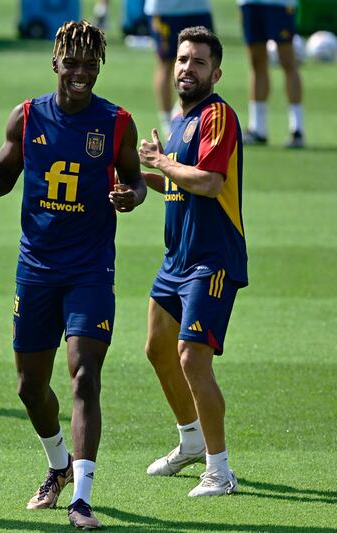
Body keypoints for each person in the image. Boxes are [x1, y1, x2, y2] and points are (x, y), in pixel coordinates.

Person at [0, 20, 146, 530]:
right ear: (55, 63)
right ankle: (58, 464)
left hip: (90, 268)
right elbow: (4, 182)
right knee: (29, 387)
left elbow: (135, 181)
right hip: (36, 268)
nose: (82, 73)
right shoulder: (26, 117)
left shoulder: (116, 123)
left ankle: (82, 498)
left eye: (91, 65)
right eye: (73, 64)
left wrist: (128, 197)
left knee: (85, 376)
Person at [138, 26, 247, 497]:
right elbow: (181, 182)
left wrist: (161, 164)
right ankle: (190, 441)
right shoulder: (183, 120)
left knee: (191, 359)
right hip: (176, 259)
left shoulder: (217, 115)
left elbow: (207, 181)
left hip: (212, 259)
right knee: (157, 348)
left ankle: (219, 472)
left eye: (199, 62)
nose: (187, 68)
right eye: (183, 60)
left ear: (215, 72)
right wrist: (143, 184)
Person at [238, 0, 304, 148]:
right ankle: (258, 129)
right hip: (250, 3)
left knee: (288, 61)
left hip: (280, 3)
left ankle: (297, 130)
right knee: (256, 61)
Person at [144, 0, 214, 139]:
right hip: (165, 8)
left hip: (198, 7)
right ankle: (168, 126)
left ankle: (191, 118)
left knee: (205, 62)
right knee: (166, 63)